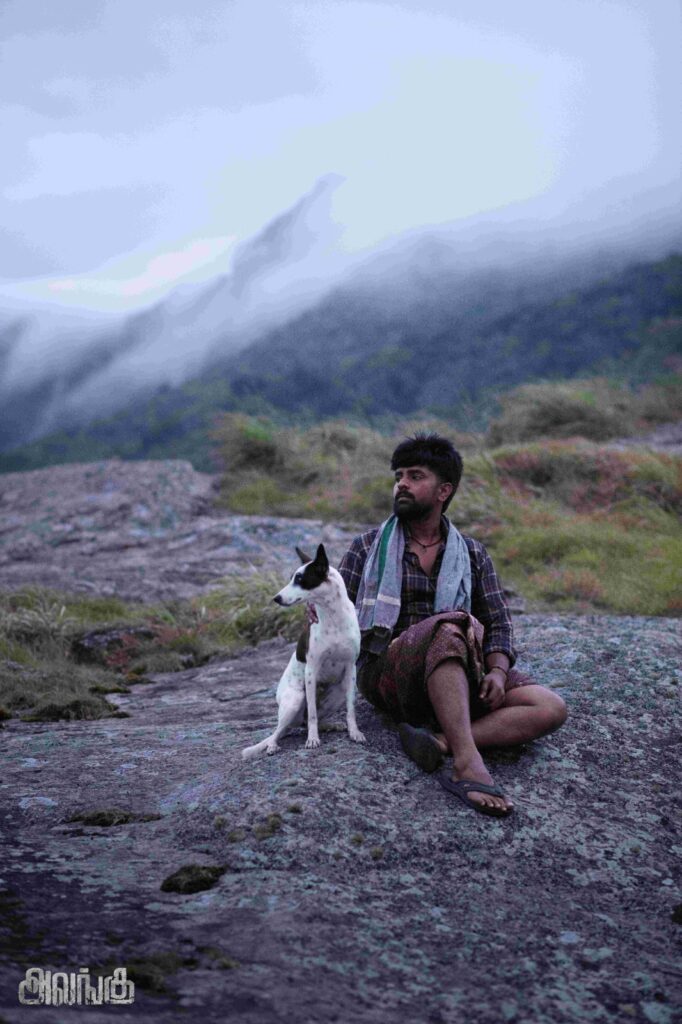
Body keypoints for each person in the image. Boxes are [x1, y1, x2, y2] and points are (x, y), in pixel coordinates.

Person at [337, 432, 567, 817]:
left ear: (444, 491)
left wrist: (497, 672)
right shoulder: (367, 547)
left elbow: (498, 623)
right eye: (399, 476)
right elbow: (335, 615)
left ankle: (439, 741)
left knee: (550, 707)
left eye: (415, 476)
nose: (402, 484)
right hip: (388, 672)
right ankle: (467, 764)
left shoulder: (472, 553)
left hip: (459, 666)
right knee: (450, 627)